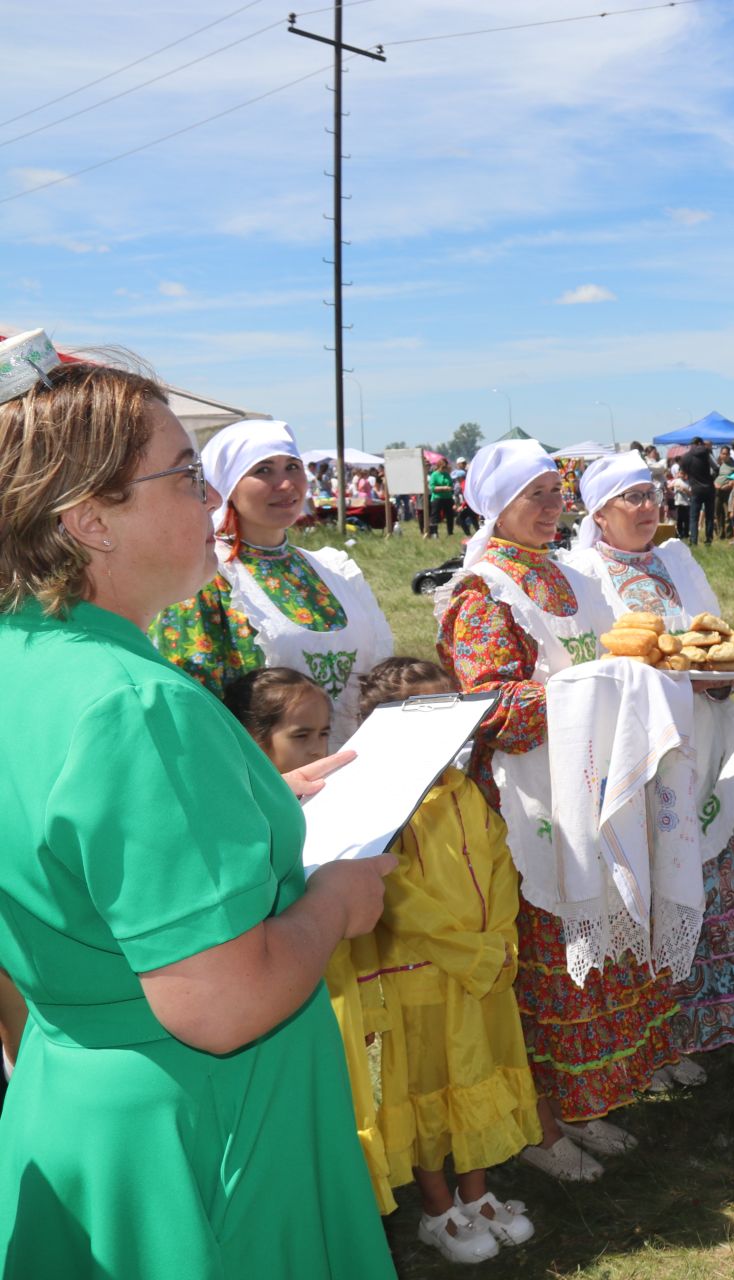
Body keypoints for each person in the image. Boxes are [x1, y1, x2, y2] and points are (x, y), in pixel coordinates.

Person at [0, 337, 396, 1276]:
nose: (213, 501)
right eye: (185, 477)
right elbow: (222, 1004)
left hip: (76, 1104)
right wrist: (334, 901)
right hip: (206, 1127)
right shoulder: (135, 701)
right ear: (93, 519)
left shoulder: (25, 660)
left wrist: (260, 804)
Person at [435, 439, 673, 1182]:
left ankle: (580, 1103)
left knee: (598, 951)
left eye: (555, 491)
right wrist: (598, 689)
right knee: (545, 964)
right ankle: (538, 1126)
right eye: (533, 493)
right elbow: (493, 708)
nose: (551, 505)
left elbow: (617, 659)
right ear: (494, 504)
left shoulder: (571, 575)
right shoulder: (482, 591)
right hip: (532, 797)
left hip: (593, 782)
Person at [559, 453, 734, 1084]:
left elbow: (713, 642)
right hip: (636, 747)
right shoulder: (581, 572)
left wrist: (718, 678)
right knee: (649, 875)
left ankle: (717, 1021)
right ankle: (658, 1034)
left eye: (650, 492)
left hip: (699, 735)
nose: (647, 504)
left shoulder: (676, 559)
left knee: (702, 862)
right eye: (630, 496)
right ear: (598, 511)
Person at [360, 657, 544, 1265]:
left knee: (474, 1079)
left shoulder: (464, 790)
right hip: (422, 978)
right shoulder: (384, 800)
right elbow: (396, 897)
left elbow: (499, 869)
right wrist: (473, 953)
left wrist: (498, 944)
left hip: (480, 972)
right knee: (427, 1088)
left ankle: (477, 1194)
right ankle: (437, 1209)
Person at [222, 667, 403, 1220]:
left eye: (325, 734)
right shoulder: (238, 820)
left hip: (325, 992)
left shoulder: (327, 806)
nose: (318, 749)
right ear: (253, 741)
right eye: (300, 737)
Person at [151, 418, 395, 752]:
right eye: (263, 470)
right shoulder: (208, 577)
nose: (285, 484)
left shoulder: (334, 569)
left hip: (357, 770)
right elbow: (193, 704)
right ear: (228, 485)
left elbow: (380, 672)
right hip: (263, 787)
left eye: (292, 466)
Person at [682, 436, 719, 545]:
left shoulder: (686, 457)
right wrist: (712, 478)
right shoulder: (707, 453)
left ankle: (693, 540)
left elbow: (684, 471)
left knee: (694, 517)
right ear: (700, 443)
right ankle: (708, 540)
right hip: (709, 488)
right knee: (709, 516)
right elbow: (716, 467)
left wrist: (692, 479)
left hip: (695, 489)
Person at [428, 456, 457, 538]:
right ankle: (434, 533)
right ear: (439, 466)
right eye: (443, 467)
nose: (444, 469)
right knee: (435, 516)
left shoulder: (447, 474)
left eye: (446, 467)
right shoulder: (434, 475)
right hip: (437, 498)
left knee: (450, 516)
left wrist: (448, 488)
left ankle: (450, 533)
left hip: (448, 498)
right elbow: (432, 488)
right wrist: (444, 488)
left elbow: (451, 485)